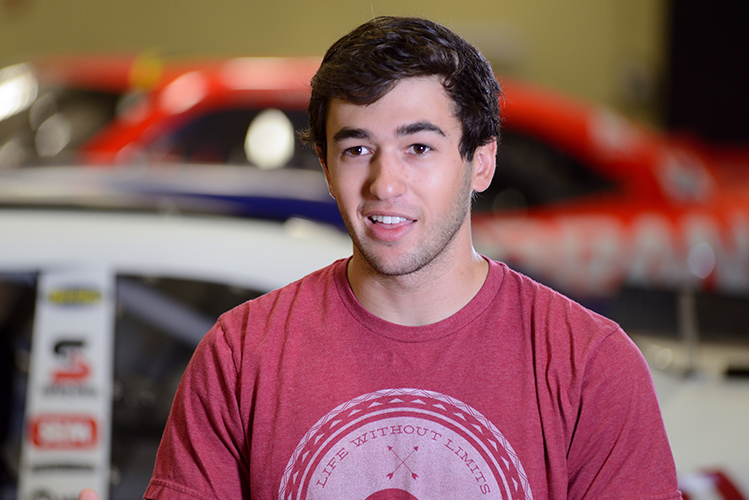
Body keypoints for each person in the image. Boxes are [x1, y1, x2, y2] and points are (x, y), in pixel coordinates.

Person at [84, 15, 682, 500]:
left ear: (481, 162)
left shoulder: (589, 367)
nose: (384, 183)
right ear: (324, 165)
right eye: (357, 149)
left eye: (419, 147)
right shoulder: (242, 354)